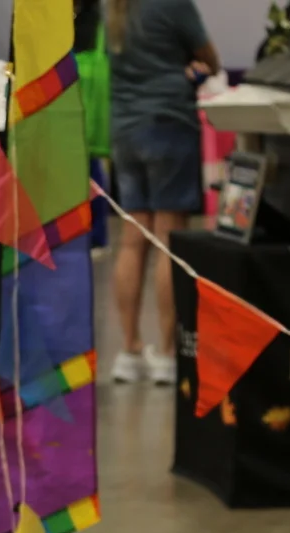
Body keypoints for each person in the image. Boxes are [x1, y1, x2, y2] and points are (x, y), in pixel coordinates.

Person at [103, 0, 216, 386]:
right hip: (169, 121)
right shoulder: (173, 3)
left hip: (124, 130)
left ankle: (129, 350)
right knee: (169, 239)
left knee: (132, 240)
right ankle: (168, 354)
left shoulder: (112, 6)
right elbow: (211, 59)